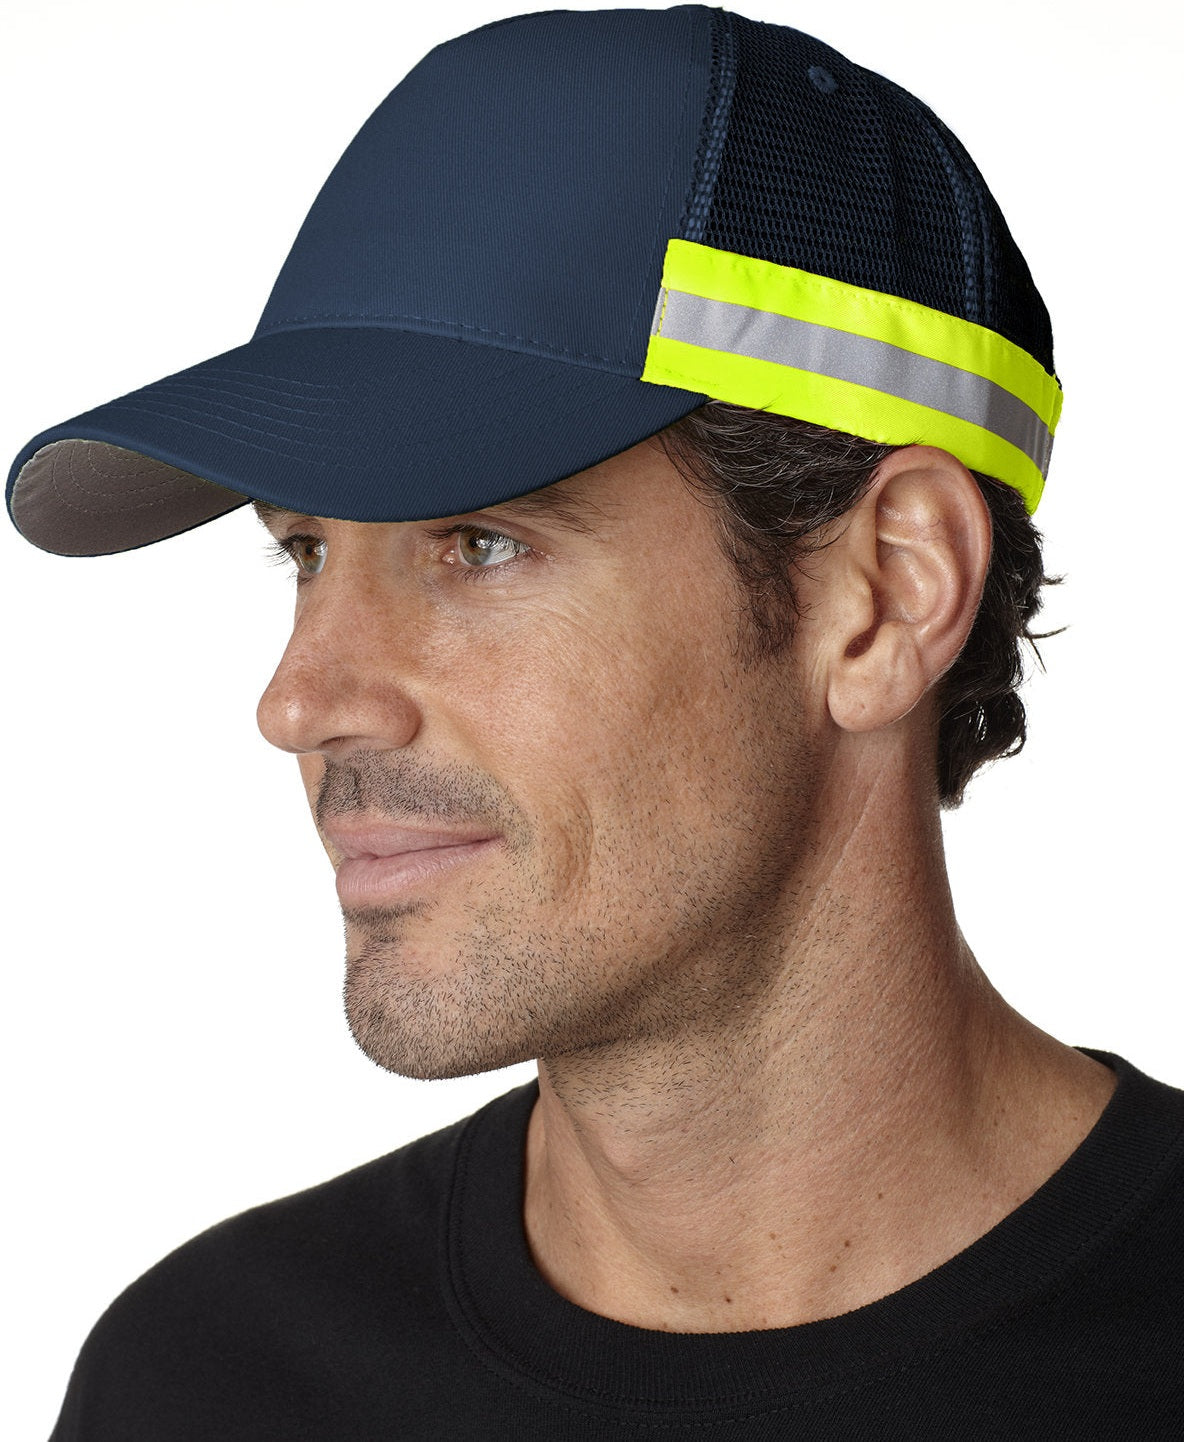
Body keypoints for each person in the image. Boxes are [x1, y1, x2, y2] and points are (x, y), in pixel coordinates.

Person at [6, 5, 1182, 1437]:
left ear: (884, 596)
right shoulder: (208, 1385)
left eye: (480, 544)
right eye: (306, 550)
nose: (300, 700)